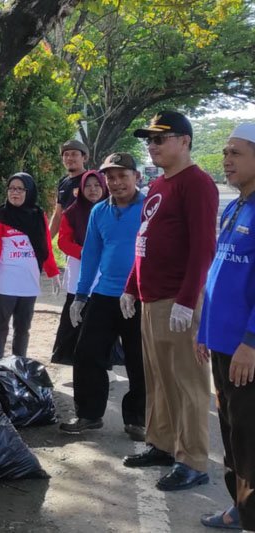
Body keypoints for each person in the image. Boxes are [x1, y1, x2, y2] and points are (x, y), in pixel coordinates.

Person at [120, 111, 219, 491]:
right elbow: (143, 242)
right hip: (151, 298)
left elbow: (203, 248)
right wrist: (131, 287)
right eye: (150, 139)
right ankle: (162, 444)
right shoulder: (160, 183)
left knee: (187, 383)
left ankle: (193, 461)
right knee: (158, 379)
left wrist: (187, 297)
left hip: (179, 301)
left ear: (185, 141)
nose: (153, 145)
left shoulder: (197, 184)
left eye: (161, 139)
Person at [58, 153, 147, 440]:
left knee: (138, 359)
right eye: (111, 177)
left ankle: (137, 418)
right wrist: (81, 295)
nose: (116, 182)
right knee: (87, 353)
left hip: (138, 296)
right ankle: (89, 414)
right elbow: (91, 254)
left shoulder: (149, 208)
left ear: (137, 177)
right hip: (104, 294)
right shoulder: (100, 211)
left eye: (123, 175)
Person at [196, 124, 255, 530]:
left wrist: (251, 342)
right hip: (220, 344)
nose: (227, 160)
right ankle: (239, 510)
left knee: (250, 441)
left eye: (236, 153)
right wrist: (204, 329)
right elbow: (219, 272)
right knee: (232, 435)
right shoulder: (234, 207)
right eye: (224, 152)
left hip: (245, 351)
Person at [0, 172, 61, 362]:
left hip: (28, 283)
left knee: (23, 329)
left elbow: (45, 246)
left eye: (20, 189)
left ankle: (19, 367)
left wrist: (54, 274)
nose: (15, 193)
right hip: (4, 283)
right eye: (11, 188)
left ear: (28, 192)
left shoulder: (38, 216)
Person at [51, 169, 109, 365]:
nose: (93, 190)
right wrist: (85, 252)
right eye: (88, 186)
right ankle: (71, 356)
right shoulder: (72, 213)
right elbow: (64, 242)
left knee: (102, 315)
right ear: (80, 189)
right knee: (75, 312)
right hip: (79, 267)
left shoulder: (114, 210)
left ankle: (104, 359)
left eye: (97, 185)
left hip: (107, 269)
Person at [49, 139, 90, 237]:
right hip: (69, 242)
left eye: (74, 154)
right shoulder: (62, 182)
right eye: (66, 154)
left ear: (84, 158)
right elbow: (58, 215)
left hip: (89, 241)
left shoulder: (91, 179)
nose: (69, 158)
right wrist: (46, 243)